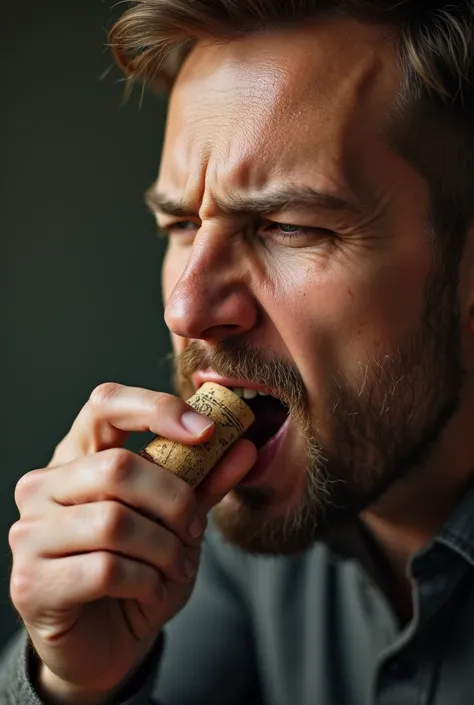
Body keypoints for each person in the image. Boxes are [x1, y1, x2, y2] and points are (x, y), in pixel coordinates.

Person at [2, 0, 474, 703]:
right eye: (183, 222)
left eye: (288, 226)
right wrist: (76, 683)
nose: (185, 307)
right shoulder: (216, 540)